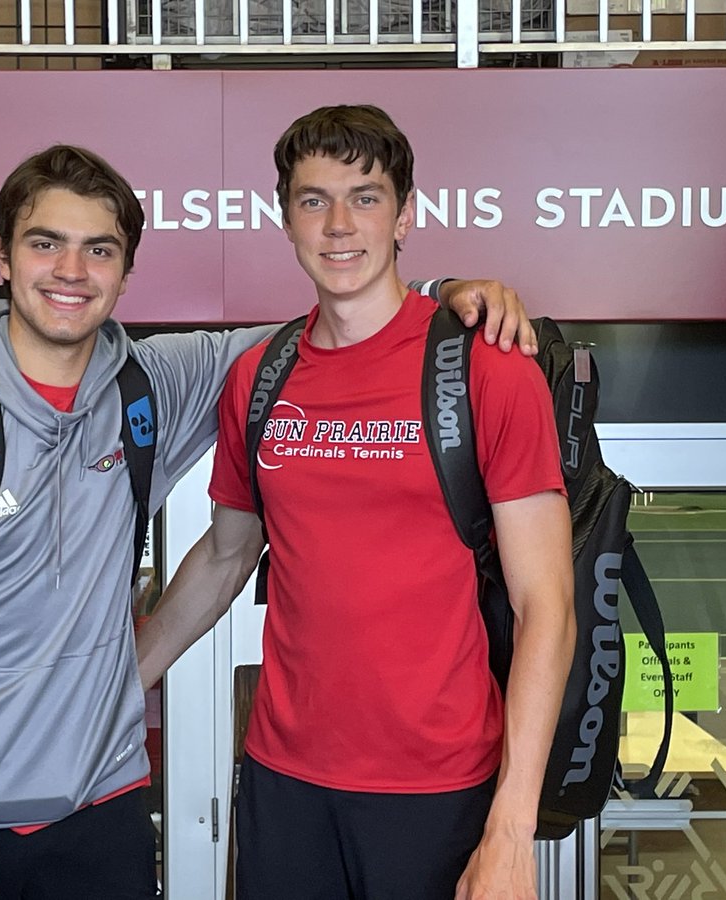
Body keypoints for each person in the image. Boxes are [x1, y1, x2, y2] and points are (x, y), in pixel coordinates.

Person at [0, 143, 535, 899]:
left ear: (124, 272)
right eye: (46, 244)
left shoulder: (154, 382)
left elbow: (344, 320)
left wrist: (443, 290)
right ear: (4, 256)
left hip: (102, 813)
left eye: (98, 250)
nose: (72, 272)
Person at [136, 105, 575, 900]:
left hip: (441, 790)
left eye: (365, 197)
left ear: (406, 214)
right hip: (283, 782)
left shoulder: (487, 371)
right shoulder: (259, 377)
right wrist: (128, 674)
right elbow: (228, 554)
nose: (339, 225)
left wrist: (512, 826)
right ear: (286, 218)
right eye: (313, 200)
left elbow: (548, 606)